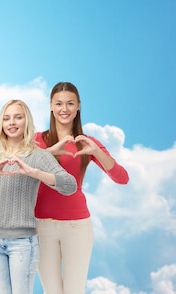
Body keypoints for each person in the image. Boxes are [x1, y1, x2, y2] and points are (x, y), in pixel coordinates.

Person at [0, 99, 77, 294]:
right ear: (1, 124)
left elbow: (69, 185)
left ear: (26, 122)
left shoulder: (38, 156)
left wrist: (34, 172)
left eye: (18, 117)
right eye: (6, 118)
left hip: (22, 242)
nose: (12, 123)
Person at [34, 82, 129, 294]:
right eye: (59, 103)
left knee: (74, 290)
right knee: (52, 291)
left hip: (77, 226)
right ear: (50, 106)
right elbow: (22, 165)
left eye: (70, 103)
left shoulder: (87, 143)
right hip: (41, 227)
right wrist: (50, 151)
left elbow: (122, 178)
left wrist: (97, 151)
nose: (64, 109)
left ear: (78, 107)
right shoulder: (37, 140)